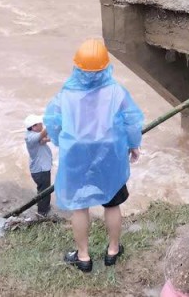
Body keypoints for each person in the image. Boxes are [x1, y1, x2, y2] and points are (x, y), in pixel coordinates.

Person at [45, 39, 144, 273]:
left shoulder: (66, 94)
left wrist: (62, 143)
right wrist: (133, 145)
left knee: (80, 206)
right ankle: (112, 250)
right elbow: (132, 120)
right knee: (112, 203)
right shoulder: (116, 91)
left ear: (77, 67)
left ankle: (83, 256)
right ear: (106, 67)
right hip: (109, 153)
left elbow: (52, 122)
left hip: (77, 154)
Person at [23, 114, 53, 217]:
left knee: (44, 190)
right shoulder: (31, 137)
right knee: (44, 192)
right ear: (34, 126)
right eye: (40, 124)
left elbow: (43, 139)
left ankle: (45, 208)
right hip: (40, 170)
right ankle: (42, 213)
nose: (42, 125)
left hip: (40, 168)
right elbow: (43, 134)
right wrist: (52, 122)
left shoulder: (32, 135)